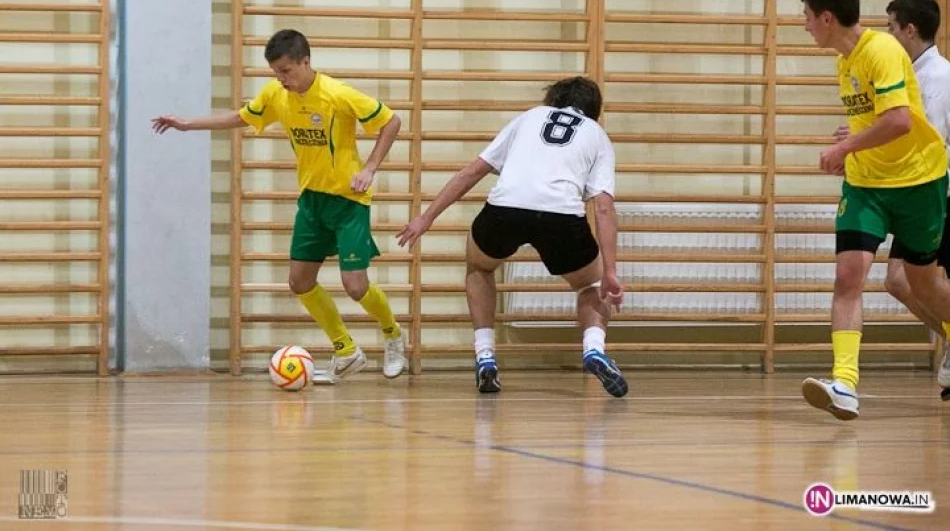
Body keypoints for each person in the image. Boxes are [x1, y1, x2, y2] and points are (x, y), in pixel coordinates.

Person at [151, 29, 406, 381]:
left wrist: (370, 168)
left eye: (286, 71)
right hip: (312, 201)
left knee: (355, 286)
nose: (281, 79)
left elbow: (391, 121)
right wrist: (187, 124)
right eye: (276, 73)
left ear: (306, 61)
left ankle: (393, 334)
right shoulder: (276, 94)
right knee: (299, 282)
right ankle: (346, 351)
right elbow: (241, 117)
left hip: (349, 201)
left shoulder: (336, 94)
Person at [396, 76, 627, 397]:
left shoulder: (529, 117)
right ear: (594, 110)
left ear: (554, 99)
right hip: (561, 216)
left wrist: (427, 217)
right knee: (591, 284)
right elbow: (603, 207)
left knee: (480, 267)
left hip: (505, 209)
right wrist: (611, 272)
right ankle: (594, 349)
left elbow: (472, 172)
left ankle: (485, 355)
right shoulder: (597, 134)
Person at [800, 0, 950, 420]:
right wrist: (853, 149)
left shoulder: (881, 51)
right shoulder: (845, 62)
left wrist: (844, 147)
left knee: (923, 284)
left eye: (807, 16)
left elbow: (901, 121)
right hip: (867, 186)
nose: (804, 24)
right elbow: (877, 122)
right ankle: (844, 384)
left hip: (919, 183)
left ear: (827, 17)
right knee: (848, 276)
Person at [836, 0, 950, 401]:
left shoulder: (939, 78)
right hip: (906, 187)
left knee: (915, 281)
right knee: (901, 282)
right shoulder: (899, 69)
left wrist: (861, 142)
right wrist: (860, 138)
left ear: (910, 30)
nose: (886, 34)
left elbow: (920, 137)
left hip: (933, 190)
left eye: (891, 26)